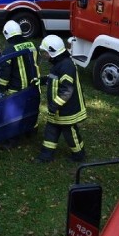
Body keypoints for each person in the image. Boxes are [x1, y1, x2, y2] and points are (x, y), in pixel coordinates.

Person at [35, 35, 87, 163]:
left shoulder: (66, 66)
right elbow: (55, 79)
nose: (44, 55)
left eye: (45, 53)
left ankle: (79, 154)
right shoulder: (59, 63)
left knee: (70, 133)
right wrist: (43, 80)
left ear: (53, 52)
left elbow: (67, 90)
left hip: (67, 110)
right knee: (50, 131)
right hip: (57, 109)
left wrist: (54, 106)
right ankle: (46, 155)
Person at [0, 20, 39, 95]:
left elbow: (5, 73)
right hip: (33, 87)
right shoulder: (32, 45)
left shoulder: (9, 51)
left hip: (16, 91)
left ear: (7, 34)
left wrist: (0, 89)